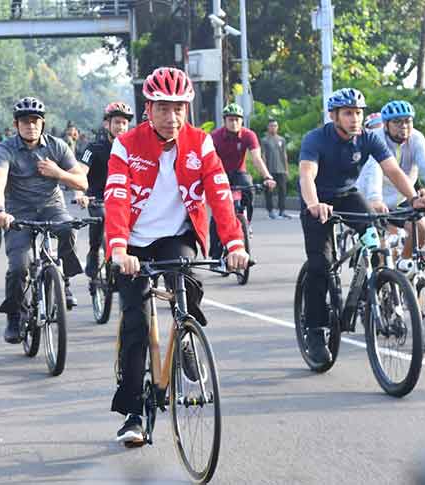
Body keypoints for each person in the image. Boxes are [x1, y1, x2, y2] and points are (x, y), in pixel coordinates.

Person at [105, 67, 249, 445]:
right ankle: (134, 412)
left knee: (190, 282)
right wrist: (118, 248)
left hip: (176, 235)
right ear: (148, 109)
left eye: (179, 109)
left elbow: (219, 193)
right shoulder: (127, 143)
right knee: (135, 322)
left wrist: (234, 244)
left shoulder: (200, 143)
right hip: (133, 240)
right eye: (164, 109)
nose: (172, 118)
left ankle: (186, 335)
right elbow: (117, 196)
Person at [298, 88, 425, 366]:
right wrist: (314, 204)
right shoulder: (316, 139)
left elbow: (393, 171)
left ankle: (371, 292)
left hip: (348, 195)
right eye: (348, 113)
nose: (355, 119)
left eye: (358, 113)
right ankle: (314, 330)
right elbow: (307, 174)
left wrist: (414, 199)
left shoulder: (368, 139)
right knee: (320, 266)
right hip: (318, 201)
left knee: (376, 238)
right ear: (333, 116)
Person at [0, 96, 87, 343]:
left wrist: (58, 173)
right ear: (16, 125)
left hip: (51, 206)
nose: (30, 126)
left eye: (35, 121)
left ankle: (63, 281)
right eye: (25, 122)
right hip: (17, 211)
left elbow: (82, 182)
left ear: (43, 123)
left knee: (68, 228)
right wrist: (0, 210)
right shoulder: (5, 149)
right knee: (18, 267)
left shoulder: (58, 146)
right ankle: (14, 315)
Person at [355, 100, 425, 265]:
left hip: (402, 198)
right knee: (384, 252)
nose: (404, 126)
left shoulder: (416, 138)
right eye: (397, 122)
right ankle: (379, 280)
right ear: (386, 124)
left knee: (421, 227)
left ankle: (404, 265)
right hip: (372, 199)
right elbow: (373, 171)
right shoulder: (376, 138)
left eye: (408, 121)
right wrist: (375, 199)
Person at [208, 103, 275, 259]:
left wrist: (267, 177)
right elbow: (209, 161)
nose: (234, 123)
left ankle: (246, 224)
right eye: (231, 120)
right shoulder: (215, 137)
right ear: (224, 121)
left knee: (248, 188)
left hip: (239, 173)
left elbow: (256, 158)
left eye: (237, 120)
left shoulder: (248, 135)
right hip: (220, 173)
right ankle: (215, 254)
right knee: (217, 214)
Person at [74, 101, 134, 278]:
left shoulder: (132, 148)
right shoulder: (94, 148)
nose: (121, 127)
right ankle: (94, 252)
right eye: (117, 122)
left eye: (124, 123)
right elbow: (80, 173)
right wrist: (79, 194)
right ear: (107, 124)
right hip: (98, 198)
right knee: (102, 218)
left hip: (124, 199)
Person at [261, 118, 291, 219]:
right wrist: (264, 171)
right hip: (270, 170)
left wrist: (286, 169)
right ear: (268, 127)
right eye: (271, 126)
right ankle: (271, 211)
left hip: (281, 170)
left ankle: (282, 211)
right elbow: (263, 155)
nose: (273, 128)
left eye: (275, 126)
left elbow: (284, 155)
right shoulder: (265, 140)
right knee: (269, 191)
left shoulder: (282, 140)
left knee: (282, 191)